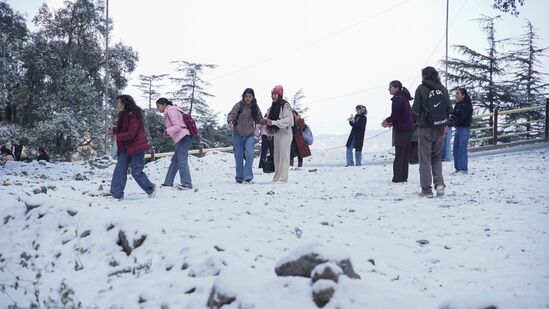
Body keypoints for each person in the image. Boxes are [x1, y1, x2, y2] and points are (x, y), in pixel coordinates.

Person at [412, 67, 452, 198]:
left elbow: (416, 110)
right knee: (436, 157)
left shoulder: (421, 88)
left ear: (424, 76)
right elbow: (449, 108)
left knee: (424, 159)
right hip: (440, 128)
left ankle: (426, 190)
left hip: (425, 128)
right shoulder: (442, 88)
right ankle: (440, 185)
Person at [109, 95, 156, 200]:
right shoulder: (123, 115)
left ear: (125, 103)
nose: (117, 104)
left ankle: (151, 188)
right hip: (126, 146)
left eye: (118, 102)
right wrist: (114, 130)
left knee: (136, 172)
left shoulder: (134, 115)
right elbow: (124, 130)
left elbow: (132, 133)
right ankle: (116, 194)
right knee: (119, 170)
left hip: (136, 147)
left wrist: (118, 136)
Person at [227, 88, 264, 183]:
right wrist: (230, 121)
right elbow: (232, 114)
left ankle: (248, 175)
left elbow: (260, 118)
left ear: (253, 97)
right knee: (238, 156)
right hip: (237, 135)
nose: (248, 98)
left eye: (250, 97)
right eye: (246, 96)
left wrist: (267, 121)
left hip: (249, 135)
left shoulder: (255, 107)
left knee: (250, 154)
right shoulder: (239, 105)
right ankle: (239, 177)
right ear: (243, 97)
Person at [156, 97, 193, 189]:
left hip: (184, 136)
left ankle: (187, 184)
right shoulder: (171, 110)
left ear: (164, 104)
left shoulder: (170, 111)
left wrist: (167, 131)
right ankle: (168, 182)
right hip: (182, 137)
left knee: (181, 160)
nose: (157, 108)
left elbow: (178, 126)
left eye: (158, 106)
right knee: (175, 161)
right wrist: (168, 132)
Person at [382, 80, 415, 182]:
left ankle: (397, 177)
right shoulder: (404, 98)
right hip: (408, 128)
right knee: (405, 154)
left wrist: (386, 121)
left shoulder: (397, 99)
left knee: (399, 153)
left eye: (390, 87)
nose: (389, 89)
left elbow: (395, 115)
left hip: (401, 129)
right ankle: (403, 177)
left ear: (396, 88)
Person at [265, 85, 294, 182]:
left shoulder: (285, 105)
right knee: (277, 155)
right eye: (272, 94)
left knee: (284, 155)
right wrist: (269, 131)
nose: (273, 96)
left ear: (280, 94)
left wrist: (274, 122)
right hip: (277, 133)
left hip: (285, 133)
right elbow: (268, 118)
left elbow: (288, 120)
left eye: (275, 94)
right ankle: (277, 176)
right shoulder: (272, 107)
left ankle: (283, 177)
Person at [451, 87, 473, 174]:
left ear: (463, 95)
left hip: (464, 128)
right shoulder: (457, 105)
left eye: (458, 94)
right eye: (456, 93)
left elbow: (462, 118)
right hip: (458, 128)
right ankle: (458, 168)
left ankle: (463, 169)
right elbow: (454, 115)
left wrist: (454, 118)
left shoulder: (466, 105)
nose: (456, 95)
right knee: (456, 149)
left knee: (462, 149)